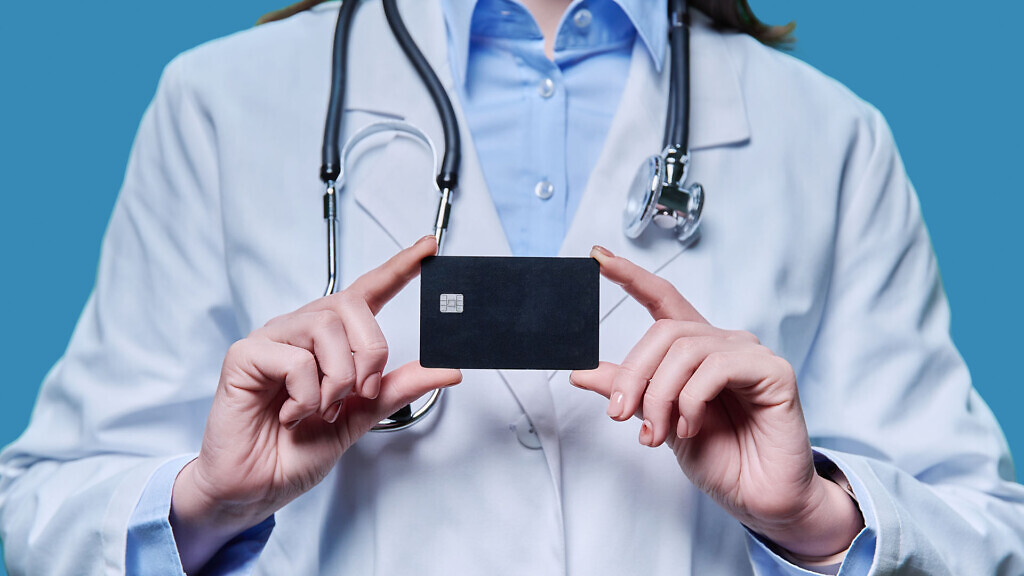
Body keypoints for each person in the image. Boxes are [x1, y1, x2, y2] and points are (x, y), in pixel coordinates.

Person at [1, 0, 1023, 574]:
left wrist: (817, 520)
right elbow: (39, 508)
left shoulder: (830, 134)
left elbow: (987, 532)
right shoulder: (221, 104)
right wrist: (206, 503)